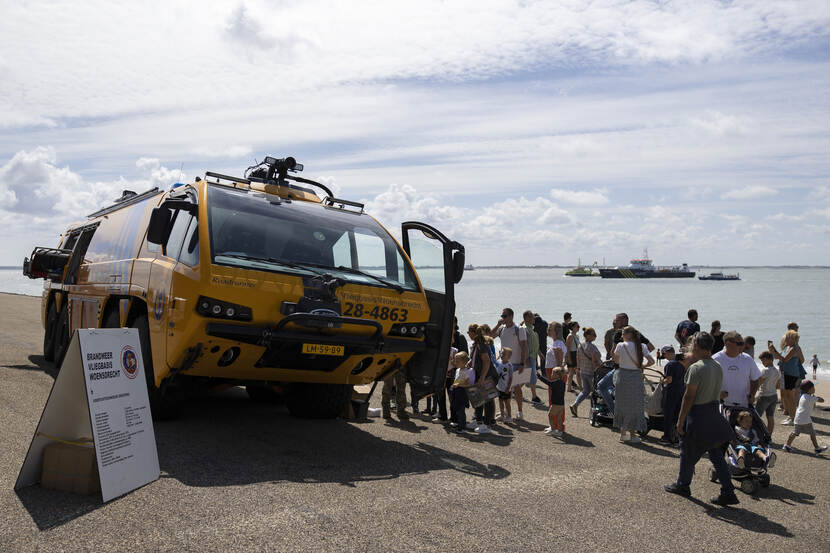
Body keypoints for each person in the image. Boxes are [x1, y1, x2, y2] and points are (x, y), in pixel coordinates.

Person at [665, 332, 740, 506]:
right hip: (714, 413)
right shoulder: (717, 366)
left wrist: (680, 420)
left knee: (687, 450)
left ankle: (683, 485)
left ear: (696, 346)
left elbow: (689, 396)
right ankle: (728, 491)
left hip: (698, 415)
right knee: (716, 454)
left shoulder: (696, 368)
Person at [597, 313, 655, 415]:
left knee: (601, 385)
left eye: (617, 320)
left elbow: (613, 353)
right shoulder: (636, 332)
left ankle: (614, 412)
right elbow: (651, 347)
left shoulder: (619, 333)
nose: (615, 322)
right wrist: (638, 360)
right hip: (636, 371)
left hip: (621, 370)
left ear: (624, 320)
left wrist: (623, 359)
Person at [612, 326, 654, 443]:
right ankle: (632, 435)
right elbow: (651, 361)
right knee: (635, 405)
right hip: (635, 377)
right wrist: (642, 366)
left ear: (629, 335)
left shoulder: (620, 346)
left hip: (623, 376)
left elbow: (616, 360)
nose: (621, 336)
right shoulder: (642, 346)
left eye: (623, 334)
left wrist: (624, 361)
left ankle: (623, 433)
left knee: (622, 404)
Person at [491, 308, 528, 420]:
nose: (503, 318)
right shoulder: (501, 329)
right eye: (502, 316)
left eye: (505, 316)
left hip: (516, 363)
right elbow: (490, 336)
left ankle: (520, 411)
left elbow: (524, 347)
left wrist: (522, 363)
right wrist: (498, 324)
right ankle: (505, 412)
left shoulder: (519, 329)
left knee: (516, 388)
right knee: (503, 387)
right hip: (503, 363)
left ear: (511, 316)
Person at [712, 331, 761, 411]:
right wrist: (717, 394)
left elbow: (755, 379)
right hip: (722, 406)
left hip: (744, 405)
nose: (743, 346)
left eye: (743, 343)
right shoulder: (716, 360)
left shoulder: (747, 359)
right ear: (728, 344)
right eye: (740, 344)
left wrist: (752, 394)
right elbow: (708, 382)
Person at [768, 330, 804, 425]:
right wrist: (772, 350)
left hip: (791, 375)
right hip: (785, 373)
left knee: (790, 397)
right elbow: (777, 357)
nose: (785, 339)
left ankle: (793, 418)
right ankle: (791, 416)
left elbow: (785, 359)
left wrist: (793, 363)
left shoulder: (795, 348)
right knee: (785, 396)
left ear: (793, 339)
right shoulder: (787, 347)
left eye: (788, 337)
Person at [783, 380, 828, 454]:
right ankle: (817, 448)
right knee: (812, 433)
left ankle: (787, 445)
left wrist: (813, 397)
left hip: (798, 418)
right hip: (805, 419)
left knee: (795, 432)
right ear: (809, 389)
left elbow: (812, 405)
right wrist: (816, 397)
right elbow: (822, 400)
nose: (814, 389)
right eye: (813, 388)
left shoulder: (803, 396)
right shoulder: (810, 398)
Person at [541, 322, 566, 436]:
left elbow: (559, 364)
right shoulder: (558, 343)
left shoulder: (558, 344)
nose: (548, 330)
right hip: (554, 374)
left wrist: (557, 378)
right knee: (555, 401)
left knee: (555, 401)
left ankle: (556, 427)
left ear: (556, 331)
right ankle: (555, 426)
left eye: (550, 328)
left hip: (555, 374)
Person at [569, 327, 601, 417]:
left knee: (586, 390)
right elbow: (595, 361)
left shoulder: (580, 346)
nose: (595, 336)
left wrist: (578, 369)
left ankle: (575, 404)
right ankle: (595, 411)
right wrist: (599, 369)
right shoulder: (592, 347)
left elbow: (578, 359)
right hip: (592, 372)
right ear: (588, 336)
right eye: (593, 335)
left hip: (583, 371)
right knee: (596, 392)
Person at [471, 325, 496, 434]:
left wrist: (482, 377)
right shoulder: (477, 345)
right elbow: (475, 358)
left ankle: (487, 425)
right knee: (479, 400)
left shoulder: (482, 345)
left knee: (487, 400)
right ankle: (479, 422)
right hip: (480, 375)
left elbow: (486, 361)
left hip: (486, 376)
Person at [659, 345, 686, 446]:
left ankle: (666, 437)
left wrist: (662, 380)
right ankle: (676, 438)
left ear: (667, 353)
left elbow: (669, 380)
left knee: (668, 415)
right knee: (677, 415)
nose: (665, 357)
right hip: (681, 391)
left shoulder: (670, 364)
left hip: (671, 392)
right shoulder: (682, 364)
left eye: (664, 355)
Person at [754, 351, 780, 435]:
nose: (762, 363)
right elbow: (778, 385)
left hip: (764, 395)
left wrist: (753, 394)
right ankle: (769, 435)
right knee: (770, 416)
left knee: (756, 416)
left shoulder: (765, 370)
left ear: (769, 359)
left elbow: (759, 383)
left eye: (763, 361)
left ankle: (757, 434)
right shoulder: (777, 371)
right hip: (774, 395)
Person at [449, 351, 474, 433]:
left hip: (462, 393)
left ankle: (462, 427)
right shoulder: (458, 370)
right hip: (455, 392)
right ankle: (457, 423)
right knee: (455, 408)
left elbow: (468, 384)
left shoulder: (468, 371)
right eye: (455, 360)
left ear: (464, 362)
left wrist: (459, 384)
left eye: (457, 361)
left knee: (461, 410)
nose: (455, 362)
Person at [521, 310, 543, 404]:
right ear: (527, 318)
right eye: (532, 317)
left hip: (532, 356)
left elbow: (534, 344)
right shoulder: (524, 329)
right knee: (532, 377)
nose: (534, 318)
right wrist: (526, 359)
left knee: (525, 376)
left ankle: (513, 390)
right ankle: (534, 397)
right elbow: (523, 345)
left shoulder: (530, 328)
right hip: (529, 357)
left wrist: (539, 353)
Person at [435, 345, 458, 422]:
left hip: (450, 377)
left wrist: (451, 360)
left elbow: (457, 364)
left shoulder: (454, 350)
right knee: (440, 396)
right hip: (441, 375)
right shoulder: (440, 348)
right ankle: (442, 416)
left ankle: (454, 418)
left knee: (452, 397)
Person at [495, 348, 514, 423]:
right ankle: (502, 415)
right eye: (501, 353)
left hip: (506, 388)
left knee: (507, 403)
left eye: (503, 354)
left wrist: (508, 388)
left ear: (509, 356)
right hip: (499, 387)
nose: (501, 355)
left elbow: (511, 378)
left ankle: (509, 416)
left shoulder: (509, 365)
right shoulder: (499, 363)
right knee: (500, 401)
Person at [565, 321, 581, 393]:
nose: (578, 328)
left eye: (578, 326)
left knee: (572, 373)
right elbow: (567, 348)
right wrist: (569, 359)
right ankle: (580, 388)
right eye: (577, 326)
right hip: (572, 355)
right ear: (572, 327)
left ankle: (569, 388)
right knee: (575, 372)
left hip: (576, 354)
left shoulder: (576, 336)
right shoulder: (570, 336)